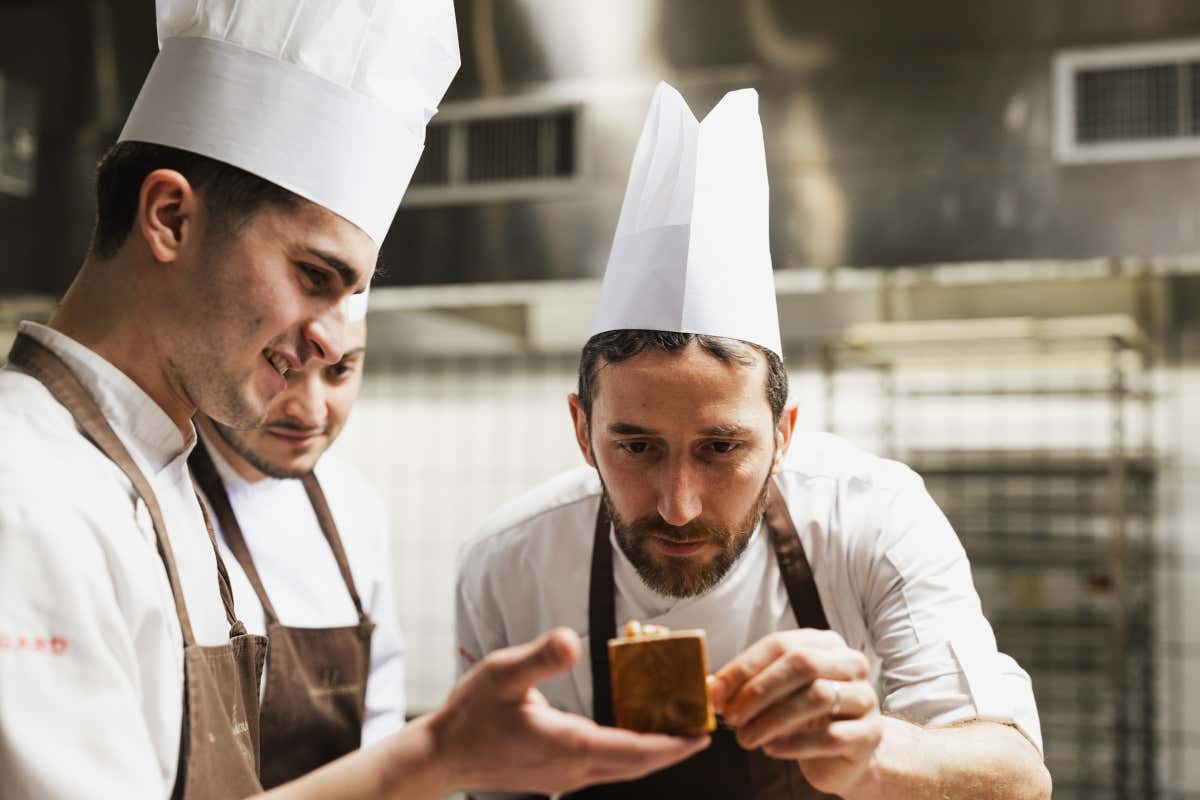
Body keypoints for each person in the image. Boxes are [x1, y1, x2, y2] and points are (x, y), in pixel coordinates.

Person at [0, 6, 704, 798]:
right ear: (170, 218)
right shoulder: (24, 493)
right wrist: (432, 755)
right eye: (314, 276)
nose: (336, 343)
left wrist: (439, 755)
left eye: (353, 294)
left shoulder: (160, 479)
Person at [455, 83, 1052, 799]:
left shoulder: (873, 520)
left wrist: (874, 753)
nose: (677, 507)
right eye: (638, 448)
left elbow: (1018, 779)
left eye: (720, 449)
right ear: (583, 432)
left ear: (784, 435)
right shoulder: (509, 566)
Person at [189, 308, 406, 788]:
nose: (310, 411)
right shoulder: (164, 508)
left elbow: (382, 717)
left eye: (340, 370)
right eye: (282, 367)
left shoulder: (357, 505)